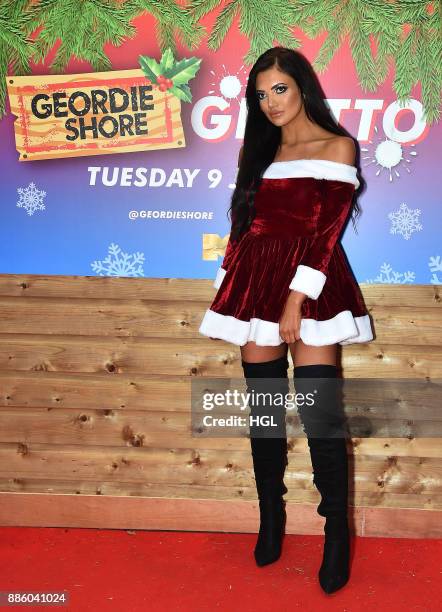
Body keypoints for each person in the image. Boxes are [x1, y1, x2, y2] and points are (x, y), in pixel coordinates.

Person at [198, 46, 374, 594]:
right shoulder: (260, 150)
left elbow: (327, 233)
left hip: (312, 283)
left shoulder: (338, 145)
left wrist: (296, 300)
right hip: (255, 282)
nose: (271, 102)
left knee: (320, 417)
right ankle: (271, 518)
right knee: (266, 415)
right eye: (261, 94)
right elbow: (243, 226)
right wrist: (230, 286)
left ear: (302, 87)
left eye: (279, 89)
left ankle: (336, 535)